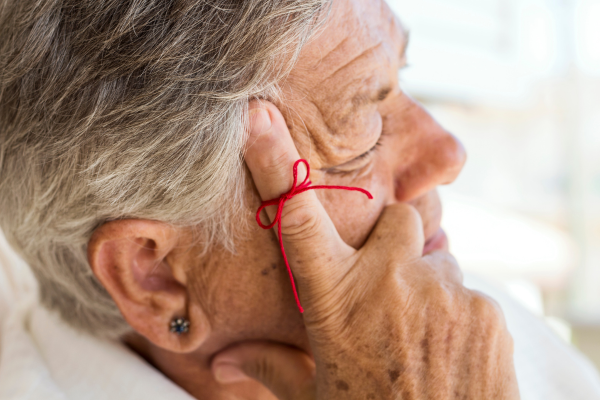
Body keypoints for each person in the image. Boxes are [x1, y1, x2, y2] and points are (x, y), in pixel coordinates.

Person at [0, 0, 599, 399]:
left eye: (404, 74)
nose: (448, 153)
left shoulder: (451, 330)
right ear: (156, 277)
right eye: (361, 125)